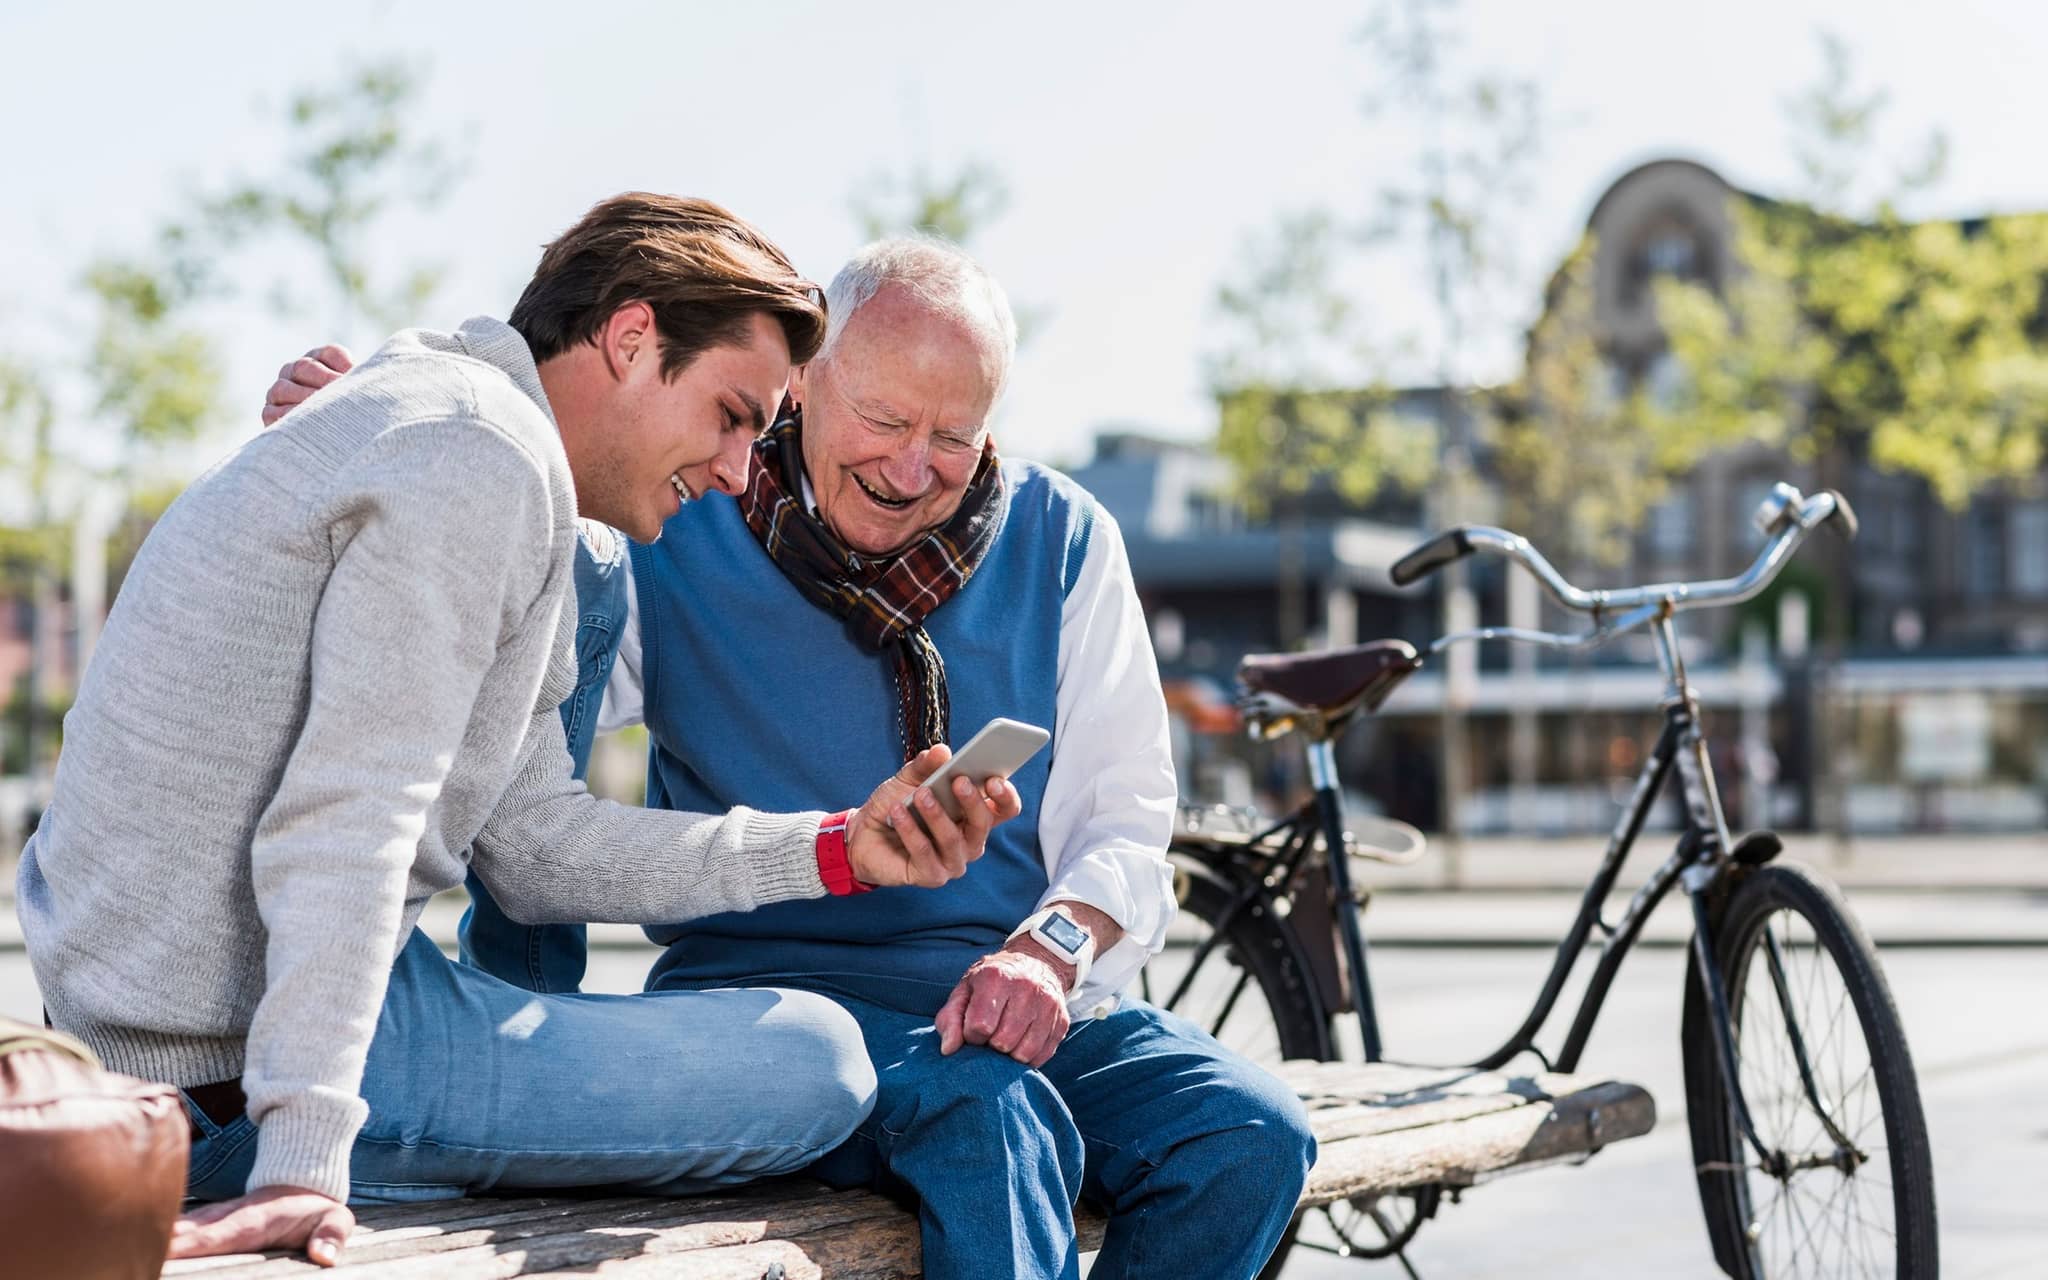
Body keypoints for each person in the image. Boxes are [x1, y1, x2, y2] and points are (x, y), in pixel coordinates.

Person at [270, 236, 1314, 1279]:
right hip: (771, 1008)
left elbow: (1125, 824)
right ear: (806, 382)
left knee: (1251, 1134)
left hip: (1014, 996)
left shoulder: (1065, 538)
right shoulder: (676, 515)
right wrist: (386, 432)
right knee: (986, 1118)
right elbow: (526, 652)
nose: (911, 470)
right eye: (884, 418)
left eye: (953, 435)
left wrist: (1046, 949)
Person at [22, 194, 1020, 1269]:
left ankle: (515, 1027)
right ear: (632, 339)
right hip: (234, 1077)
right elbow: (348, 813)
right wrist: (303, 1154)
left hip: (192, 1025)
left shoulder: (447, 412)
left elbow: (537, 848)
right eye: (733, 414)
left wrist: (834, 849)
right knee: (822, 1059)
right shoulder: (480, 461)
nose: (739, 470)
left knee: (594, 571)